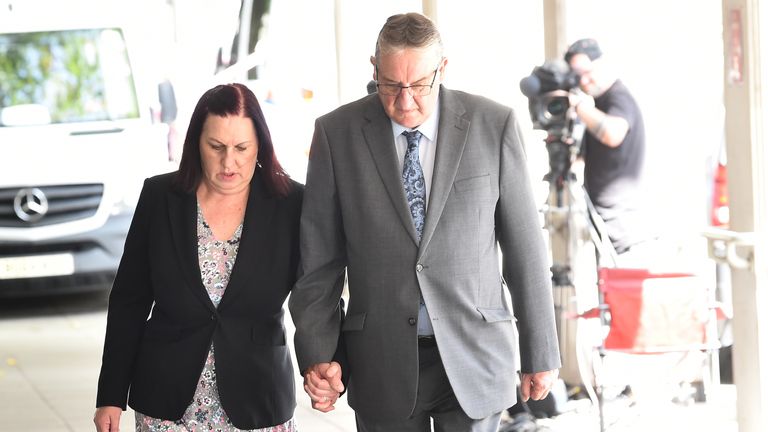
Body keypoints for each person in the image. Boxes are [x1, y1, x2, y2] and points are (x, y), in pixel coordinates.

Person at [289, 12, 561, 432]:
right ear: (374, 70)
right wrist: (319, 353)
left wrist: (540, 352)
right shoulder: (335, 134)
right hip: (381, 359)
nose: (405, 101)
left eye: (418, 85)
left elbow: (525, 249)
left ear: (443, 70)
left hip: (475, 353)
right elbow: (319, 262)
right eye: (391, 84)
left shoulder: (494, 124)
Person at [93, 83, 303, 432]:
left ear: (260, 147)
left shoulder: (291, 203)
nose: (228, 161)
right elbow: (129, 300)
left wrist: (327, 362)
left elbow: (316, 296)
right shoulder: (161, 198)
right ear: (196, 144)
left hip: (258, 401)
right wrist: (110, 395)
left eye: (241, 148)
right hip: (167, 404)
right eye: (216, 147)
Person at [564, 38, 653, 264]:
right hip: (606, 221)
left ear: (601, 63)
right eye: (577, 76)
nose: (583, 80)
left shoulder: (618, 98)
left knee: (623, 293)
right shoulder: (598, 104)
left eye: (587, 71)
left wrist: (579, 107)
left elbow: (613, 134)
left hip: (623, 227)